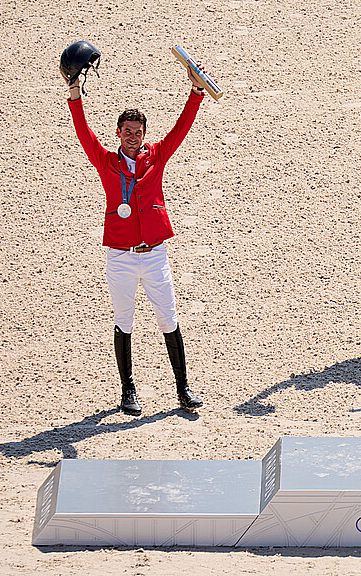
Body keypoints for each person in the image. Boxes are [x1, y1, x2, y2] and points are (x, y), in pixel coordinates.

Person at [63, 66, 206, 415]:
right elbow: (83, 133)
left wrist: (196, 93)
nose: (133, 137)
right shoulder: (106, 161)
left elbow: (180, 131)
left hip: (155, 255)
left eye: (138, 132)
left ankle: (183, 388)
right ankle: (128, 391)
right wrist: (74, 95)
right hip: (120, 256)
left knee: (168, 320)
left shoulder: (155, 156)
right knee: (124, 321)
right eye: (127, 131)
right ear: (118, 132)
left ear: (144, 135)